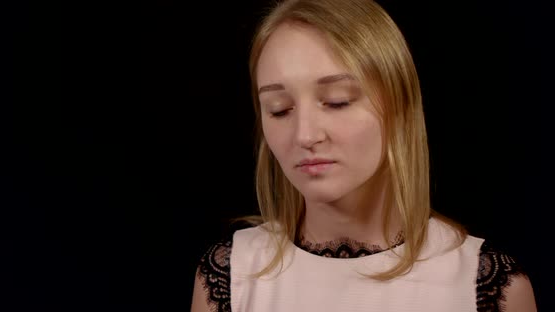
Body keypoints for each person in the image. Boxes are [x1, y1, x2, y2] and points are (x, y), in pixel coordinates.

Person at [190, 0, 537, 311]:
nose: (305, 135)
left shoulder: (485, 286)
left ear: (399, 105)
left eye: (337, 101)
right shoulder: (231, 276)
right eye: (279, 109)